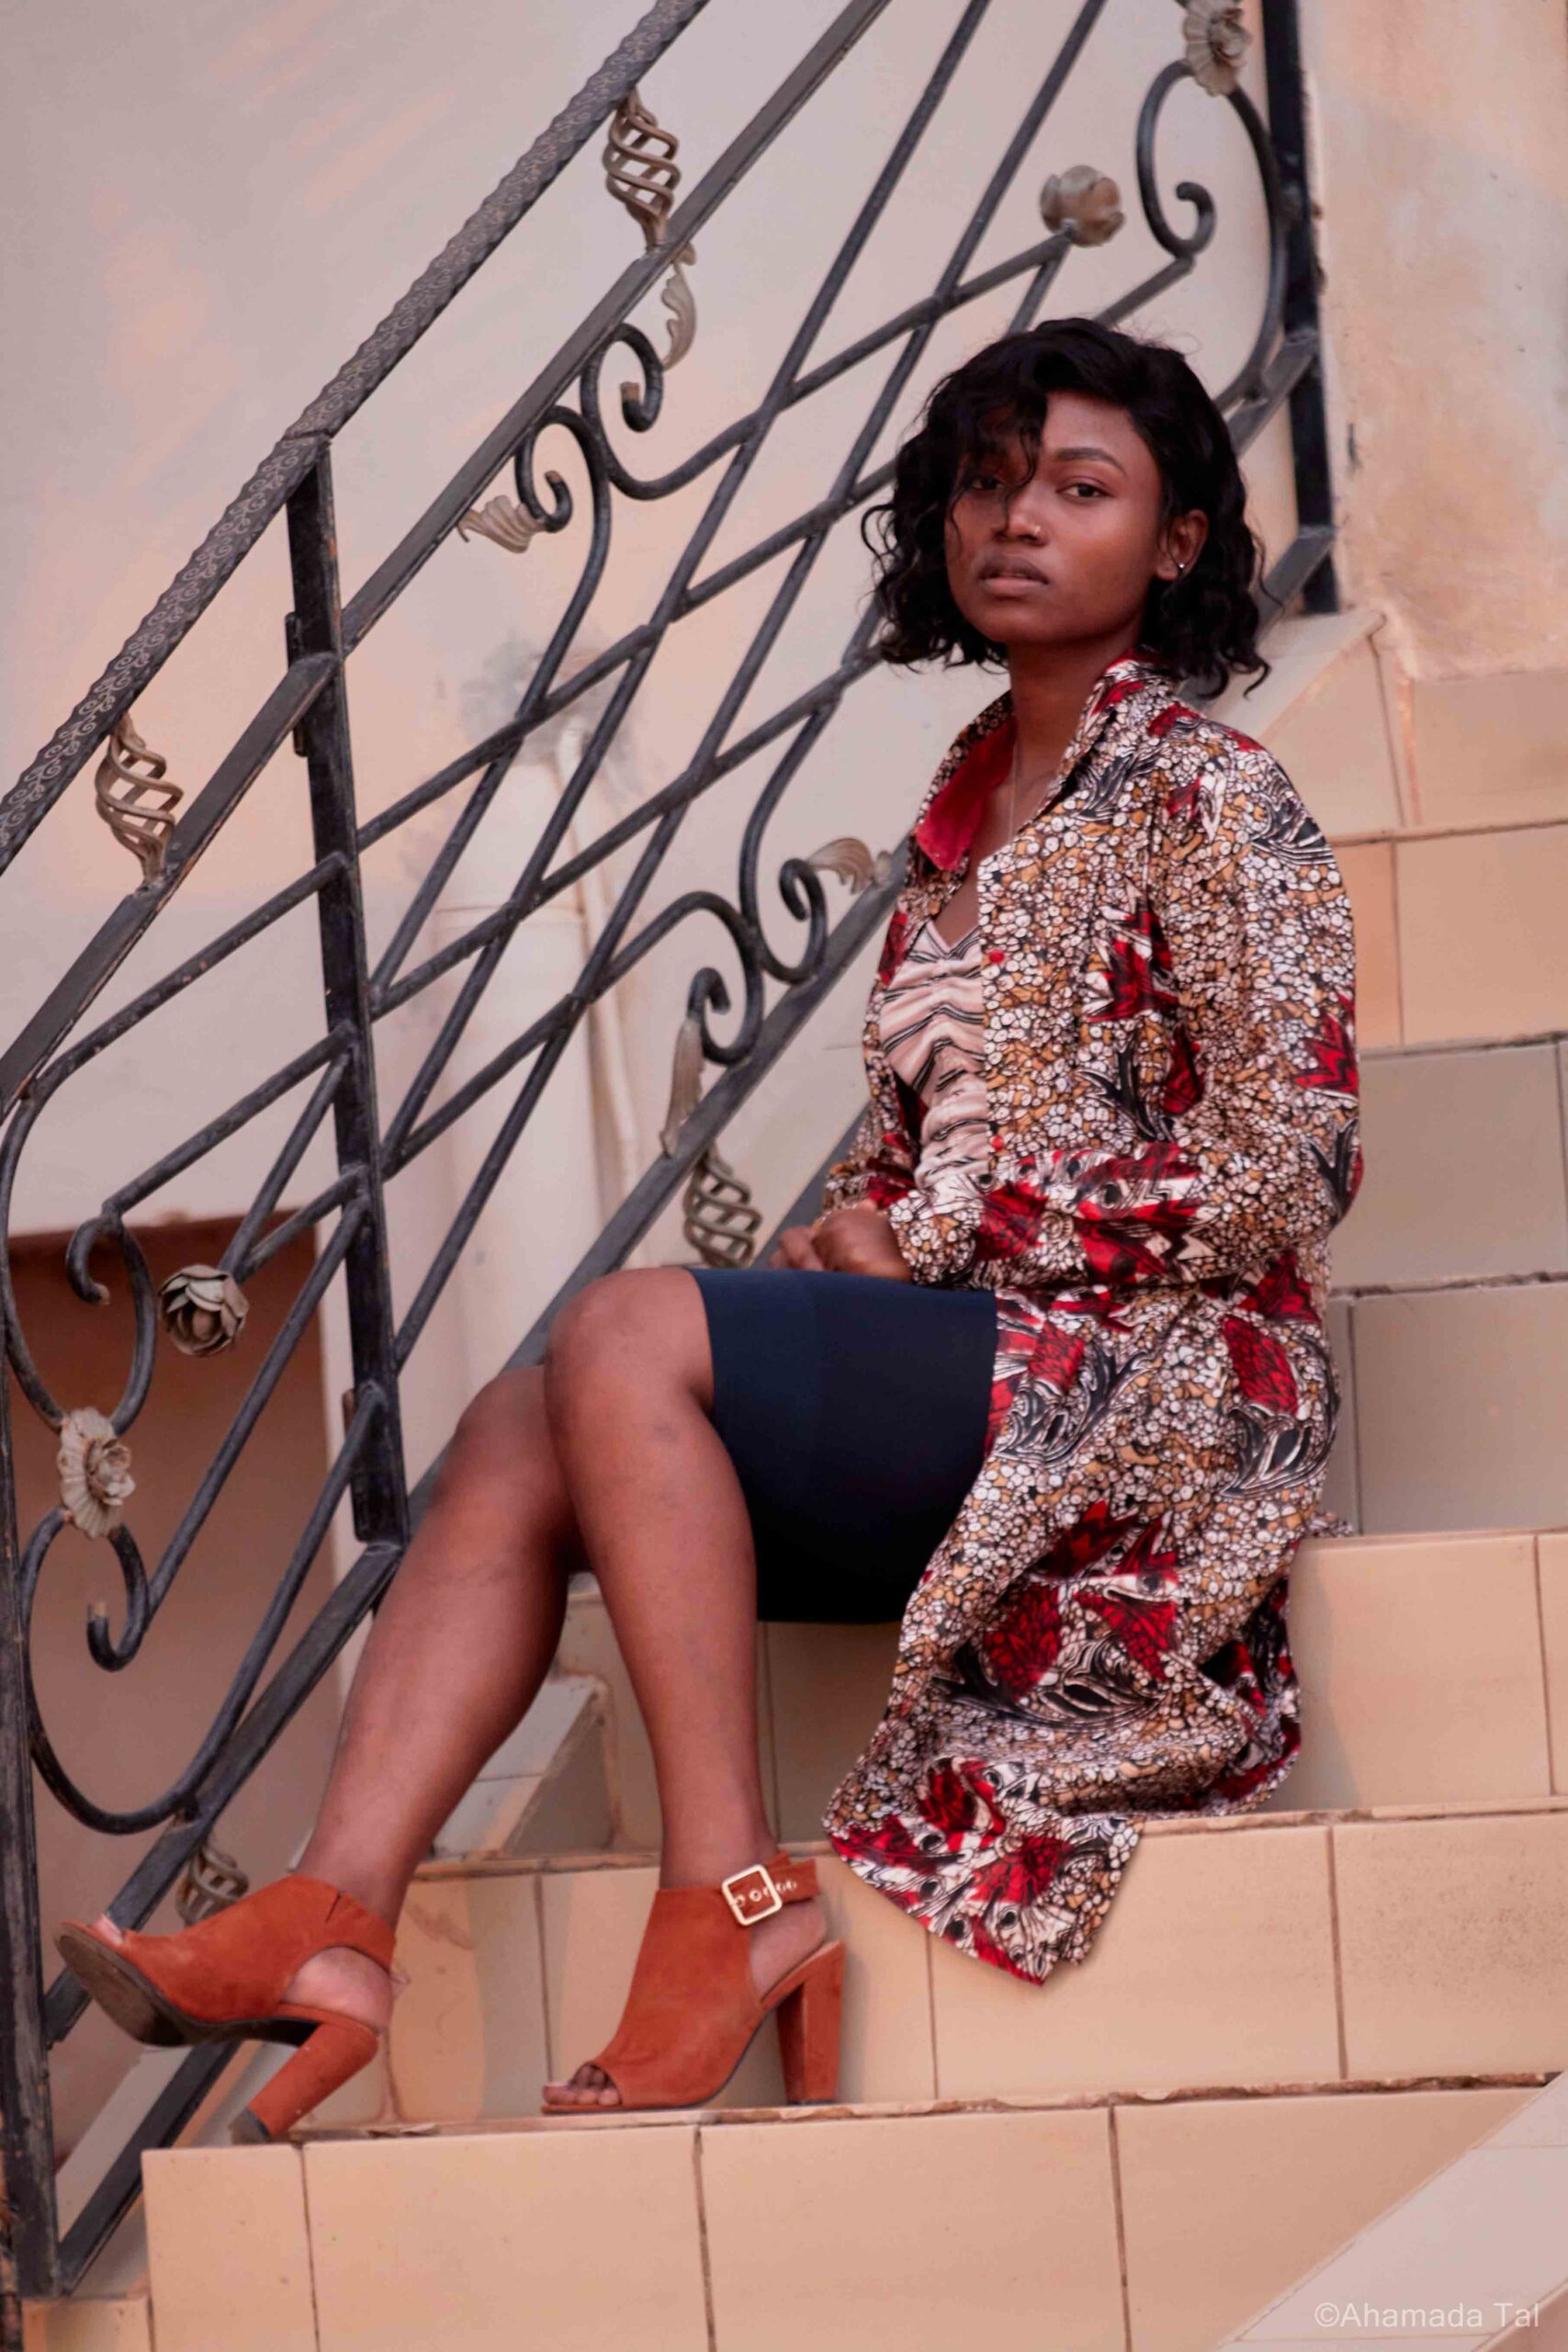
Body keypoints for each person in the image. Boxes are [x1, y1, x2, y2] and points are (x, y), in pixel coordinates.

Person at [57, 315, 1359, 2136]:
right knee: (521, 1418)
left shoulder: (1216, 794)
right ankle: (335, 1920)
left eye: (1079, 488)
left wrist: (960, 1231)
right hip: (986, 1367)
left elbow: (1296, 1157)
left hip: (1155, 1399)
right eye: (987, 481)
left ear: (1176, 541)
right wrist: (865, 1227)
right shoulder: (958, 816)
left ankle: (730, 1895)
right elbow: (923, 1152)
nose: (1016, 519)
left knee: (618, 1328)